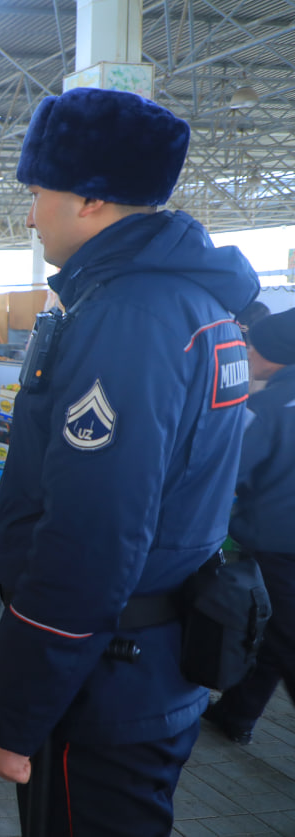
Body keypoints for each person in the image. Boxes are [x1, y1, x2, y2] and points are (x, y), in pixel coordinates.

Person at [0, 88, 259, 835]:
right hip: (147, 660)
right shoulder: (195, 306)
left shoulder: (129, 318)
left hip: (103, 680)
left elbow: (92, 539)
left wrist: (9, 712)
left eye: (38, 191)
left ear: (91, 197)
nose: (30, 215)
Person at [202, 308, 295, 745]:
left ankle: (235, 713)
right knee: (277, 633)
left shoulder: (265, 408)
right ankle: (235, 714)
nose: (249, 351)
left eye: (256, 345)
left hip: (277, 546)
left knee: (283, 638)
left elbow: (224, 473)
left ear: (278, 356)